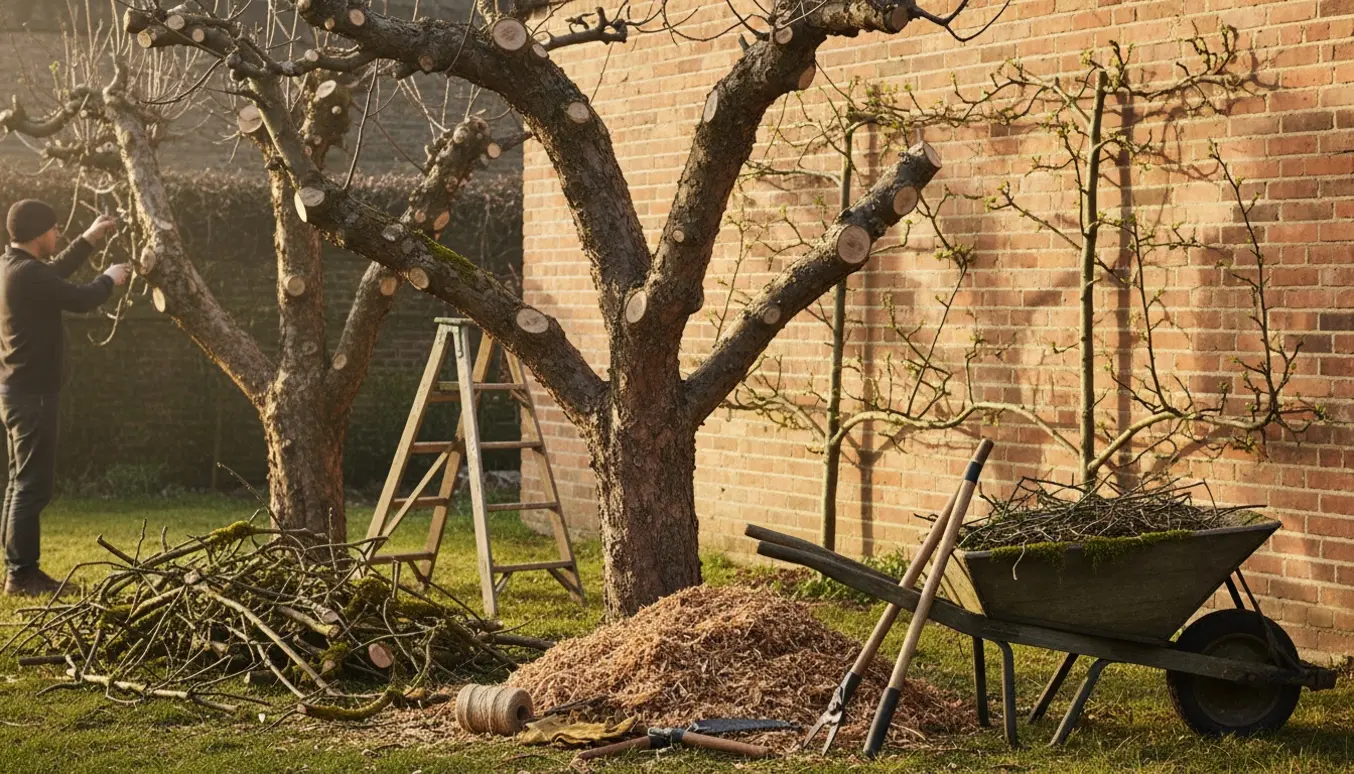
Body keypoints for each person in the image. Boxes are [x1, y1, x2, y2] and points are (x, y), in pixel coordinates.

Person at [1, 200, 130, 596]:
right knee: (32, 487)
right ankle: (22, 577)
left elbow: (54, 274)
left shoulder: (13, 267)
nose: (58, 235)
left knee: (19, 484)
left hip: (17, 391)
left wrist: (89, 239)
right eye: (55, 230)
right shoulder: (27, 275)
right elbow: (78, 299)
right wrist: (109, 279)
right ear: (40, 234)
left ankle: (17, 571)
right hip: (33, 395)